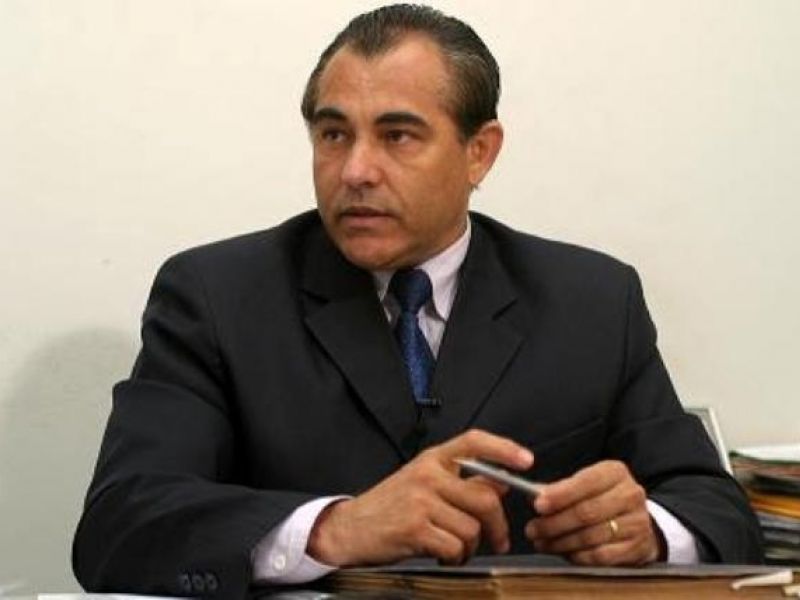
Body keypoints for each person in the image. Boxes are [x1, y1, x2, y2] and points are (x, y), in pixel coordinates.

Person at [72, 4, 763, 598]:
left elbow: (718, 511)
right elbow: (121, 522)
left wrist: (649, 533)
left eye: (397, 136)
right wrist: (336, 528)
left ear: (479, 152)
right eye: (333, 135)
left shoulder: (592, 301)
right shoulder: (218, 296)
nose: (355, 171)